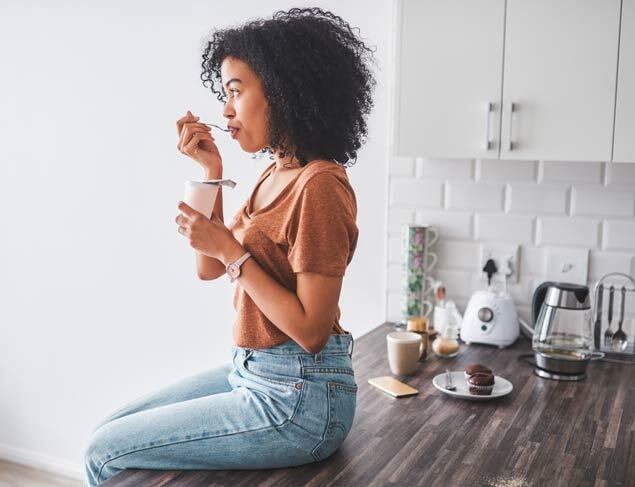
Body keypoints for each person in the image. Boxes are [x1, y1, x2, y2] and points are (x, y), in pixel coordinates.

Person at [83, 7, 376, 486]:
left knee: (102, 453)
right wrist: (210, 171)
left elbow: (311, 331)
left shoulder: (319, 185)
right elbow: (208, 268)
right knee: (107, 432)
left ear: (284, 91)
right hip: (255, 371)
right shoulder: (274, 172)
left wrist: (231, 252)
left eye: (236, 92)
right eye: (224, 95)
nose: (225, 110)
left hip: (301, 399)